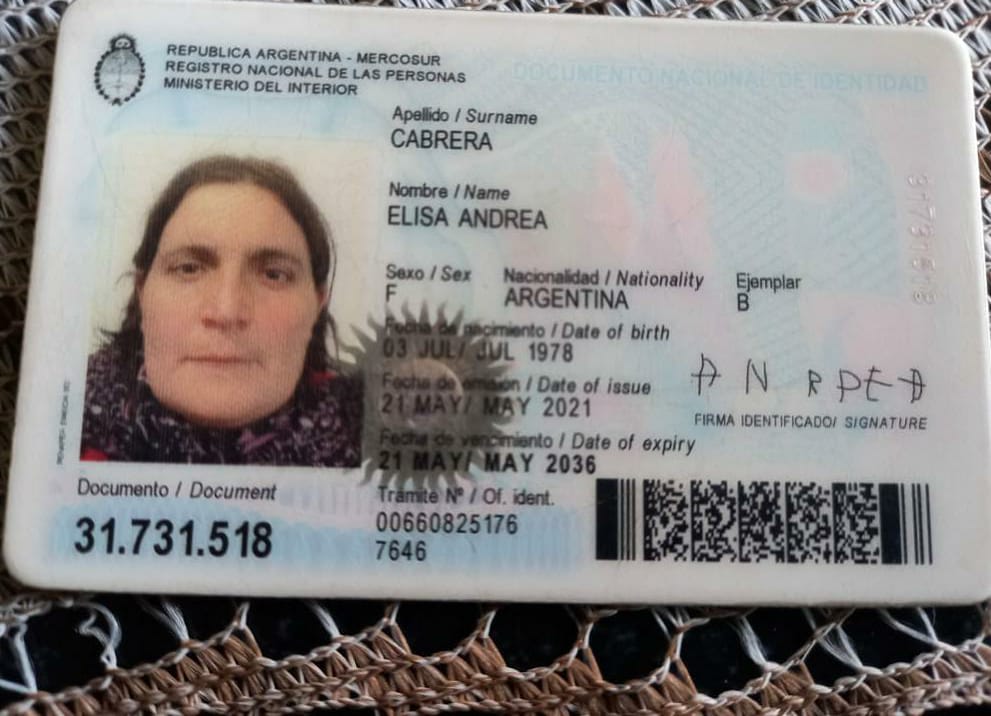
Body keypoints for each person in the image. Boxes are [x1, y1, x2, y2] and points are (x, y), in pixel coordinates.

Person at [81, 155, 362, 466]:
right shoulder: (59, 421)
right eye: (188, 268)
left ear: (317, 305)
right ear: (142, 293)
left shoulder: (374, 440)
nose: (226, 312)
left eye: (273, 275)